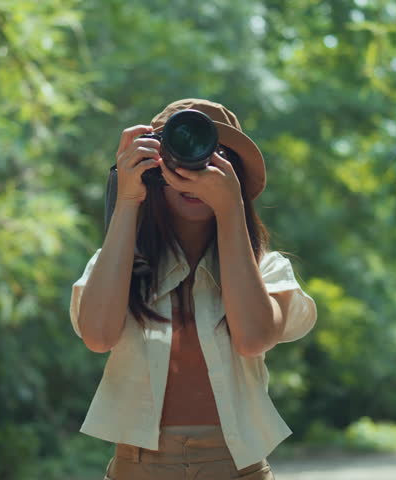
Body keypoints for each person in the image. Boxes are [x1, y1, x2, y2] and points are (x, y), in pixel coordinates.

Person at [70, 99, 317, 480]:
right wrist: (127, 197)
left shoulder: (266, 268)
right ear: (154, 164)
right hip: (136, 468)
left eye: (215, 156)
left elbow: (252, 337)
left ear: (235, 174)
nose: (194, 168)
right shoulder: (119, 263)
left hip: (238, 468)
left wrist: (230, 208)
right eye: (177, 154)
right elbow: (98, 336)